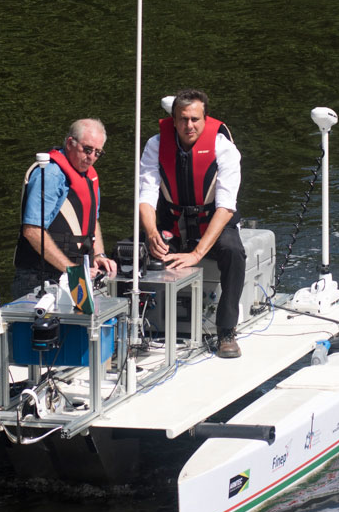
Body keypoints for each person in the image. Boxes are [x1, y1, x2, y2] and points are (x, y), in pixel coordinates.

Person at [137, 89, 245, 358]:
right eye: (183, 119)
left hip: (213, 225)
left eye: (195, 119)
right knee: (132, 252)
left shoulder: (224, 148)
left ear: (205, 119)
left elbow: (225, 207)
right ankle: (135, 328)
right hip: (172, 225)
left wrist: (197, 253)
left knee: (233, 251)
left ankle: (226, 331)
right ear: (173, 120)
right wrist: (151, 234)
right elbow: (146, 197)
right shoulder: (154, 145)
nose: (189, 126)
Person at [14, 118, 119, 298]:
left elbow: (92, 221)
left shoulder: (89, 177)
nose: (91, 157)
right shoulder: (50, 174)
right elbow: (32, 230)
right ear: (70, 143)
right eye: (87, 150)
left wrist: (99, 255)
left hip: (76, 275)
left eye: (97, 153)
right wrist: (71, 269)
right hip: (40, 278)